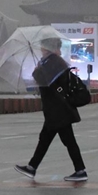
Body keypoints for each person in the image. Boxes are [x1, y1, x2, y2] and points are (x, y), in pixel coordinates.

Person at [15, 37, 88, 182]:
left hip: (58, 110)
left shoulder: (54, 62)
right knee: (47, 139)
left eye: (43, 47)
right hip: (56, 109)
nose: (41, 49)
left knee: (65, 140)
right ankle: (32, 167)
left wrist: (37, 71)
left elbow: (45, 80)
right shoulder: (51, 61)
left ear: (47, 48)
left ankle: (80, 171)